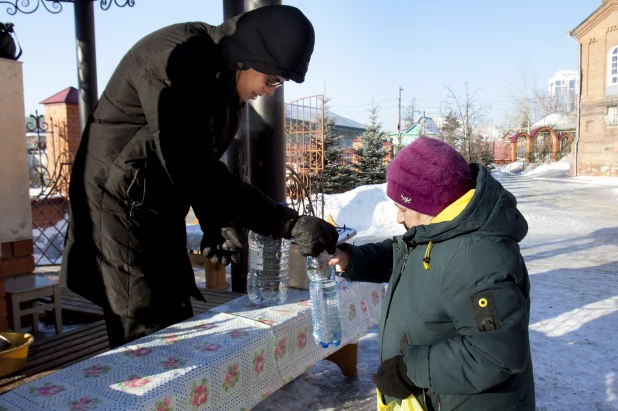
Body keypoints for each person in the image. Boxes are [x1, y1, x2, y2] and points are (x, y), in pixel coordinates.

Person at [60, 5, 338, 349]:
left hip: (154, 204)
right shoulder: (182, 62)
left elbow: (193, 163)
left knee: (175, 313)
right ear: (251, 56)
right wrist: (287, 223)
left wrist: (213, 219)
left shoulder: (221, 76)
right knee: (146, 328)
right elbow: (193, 163)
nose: (270, 91)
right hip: (118, 209)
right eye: (273, 79)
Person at [330, 137, 535, 410]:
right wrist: (350, 258)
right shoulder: (444, 230)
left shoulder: (480, 259)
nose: (398, 219)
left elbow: (496, 354)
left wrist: (409, 370)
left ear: (431, 205)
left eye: (403, 208)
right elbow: (407, 254)